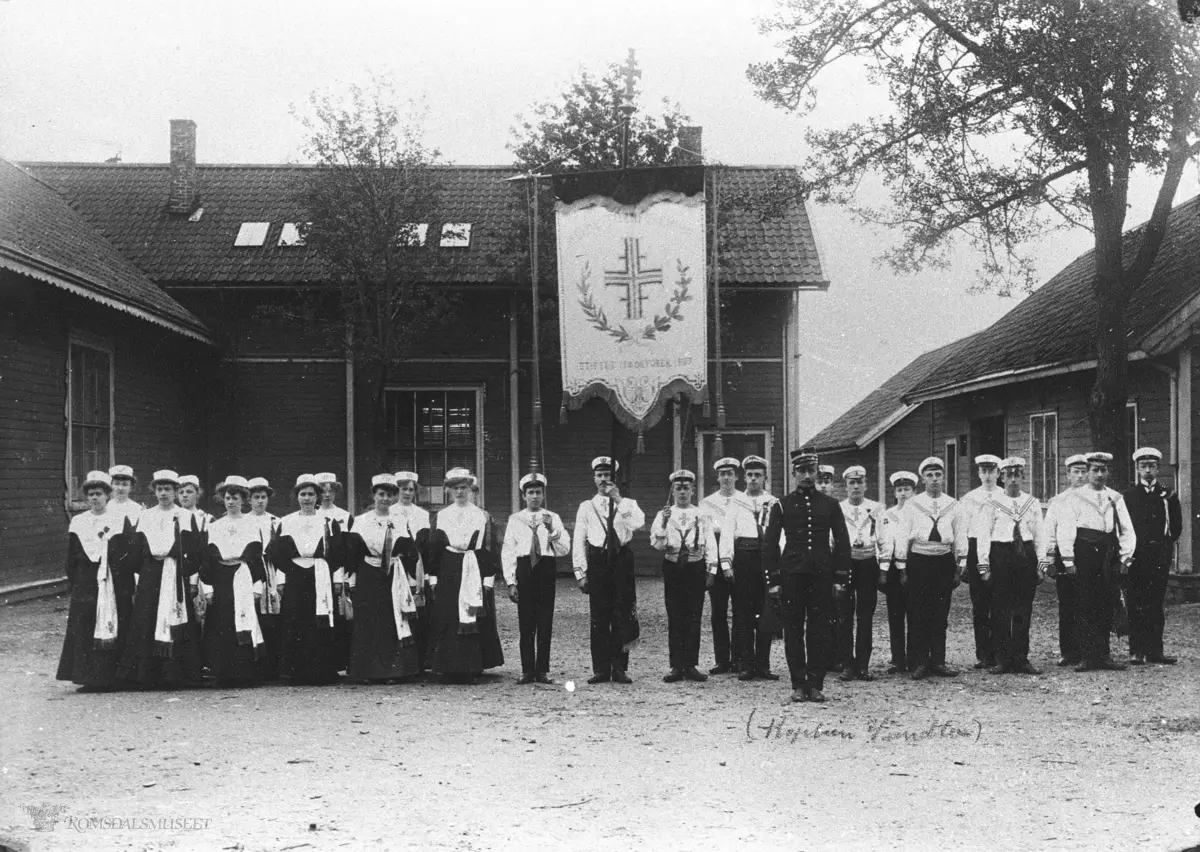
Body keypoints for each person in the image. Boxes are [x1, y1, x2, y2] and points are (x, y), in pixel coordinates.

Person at [763, 450, 851, 703]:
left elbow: (843, 543)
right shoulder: (781, 505)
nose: (806, 475)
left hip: (822, 576)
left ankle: (816, 683)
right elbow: (769, 546)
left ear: (817, 472)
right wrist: (774, 581)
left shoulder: (830, 505)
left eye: (810, 470)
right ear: (793, 474)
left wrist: (840, 578)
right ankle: (798, 684)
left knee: (819, 629)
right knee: (793, 630)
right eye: (801, 471)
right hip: (792, 576)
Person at [116, 470, 204, 688]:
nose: (163, 493)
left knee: (178, 618)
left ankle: (177, 674)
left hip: (175, 574)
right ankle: (147, 674)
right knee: (147, 618)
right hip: (151, 574)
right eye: (159, 489)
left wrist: (182, 570)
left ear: (175, 491)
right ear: (154, 491)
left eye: (168, 489)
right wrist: (146, 571)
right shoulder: (146, 516)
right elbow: (136, 550)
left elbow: (195, 551)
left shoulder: (185, 516)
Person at [1054, 452, 1136, 672]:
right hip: (1084, 553)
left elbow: (1127, 529)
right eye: (1095, 470)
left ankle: (1104, 655)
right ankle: (1087, 656)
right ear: (1088, 471)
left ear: (1108, 472)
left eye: (1103, 470)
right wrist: (1068, 560)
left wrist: (1126, 558)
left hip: (1107, 554)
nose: (1099, 475)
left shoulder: (1115, 497)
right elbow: (1066, 530)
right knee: (1084, 604)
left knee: (1106, 603)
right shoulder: (1074, 498)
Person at [56, 471, 136, 690]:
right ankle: (88, 677)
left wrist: (126, 581)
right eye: (90, 494)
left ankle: (115, 677)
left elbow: (129, 552)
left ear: (107, 495)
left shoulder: (119, 520)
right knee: (85, 625)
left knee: (115, 621)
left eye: (99, 494)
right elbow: (72, 556)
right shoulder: (79, 522)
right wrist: (73, 582)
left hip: (114, 579)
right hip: (86, 580)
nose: (94, 498)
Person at [572, 456, 646, 685]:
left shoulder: (629, 504)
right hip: (598, 560)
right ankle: (601, 669)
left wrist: (618, 499)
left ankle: (620, 668)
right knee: (600, 616)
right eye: (600, 475)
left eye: (608, 476)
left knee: (622, 612)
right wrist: (580, 572)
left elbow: (638, 525)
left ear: (615, 479)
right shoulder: (586, 506)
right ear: (594, 478)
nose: (604, 480)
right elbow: (578, 540)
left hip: (621, 560)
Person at [425, 468, 504, 681]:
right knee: (449, 615)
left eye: (464, 488)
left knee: (472, 611)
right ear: (448, 490)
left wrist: (488, 578)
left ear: (471, 489)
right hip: (449, 566)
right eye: (455, 488)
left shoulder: (482, 516)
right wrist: (433, 577)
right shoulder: (442, 515)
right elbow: (434, 548)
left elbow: (490, 548)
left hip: (474, 565)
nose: (460, 491)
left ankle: (472, 666)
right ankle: (448, 666)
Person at [893, 457, 967, 681]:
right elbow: (902, 535)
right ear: (923, 479)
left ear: (943, 477)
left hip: (943, 560)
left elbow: (961, 536)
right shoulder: (912, 505)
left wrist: (959, 566)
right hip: (919, 560)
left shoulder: (954, 505)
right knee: (918, 613)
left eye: (938, 475)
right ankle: (919, 662)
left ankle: (938, 661)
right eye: (930, 475)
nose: (934, 479)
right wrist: (902, 567)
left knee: (940, 613)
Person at [344, 474, 420, 683]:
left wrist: (411, 579)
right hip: (369, 572)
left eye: (389, 495)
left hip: (393, 574)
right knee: (368, 621)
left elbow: (409, 551)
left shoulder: (399, 521)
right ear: (374, 495)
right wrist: (350, 581)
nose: (385, 499)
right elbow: (353, 553)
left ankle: (391, 671)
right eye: (381, 494)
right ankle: (366, 671)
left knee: (390, 620)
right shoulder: (361, 521)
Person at [270, 474, 342, 684]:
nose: (307, 498)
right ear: (296, 496)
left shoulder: (328, 522)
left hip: (320, 573)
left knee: (320, 620)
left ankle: (322, 671)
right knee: (295, 620)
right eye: (303, 494)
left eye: (311, 494)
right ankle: (295, 672)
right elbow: (278, 554)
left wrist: (336, 578)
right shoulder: (287, 521)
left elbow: (337, 554)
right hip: (295, 573)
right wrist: (282, 579)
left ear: (318, 497)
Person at [975, 458, 1044, 675]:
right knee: (1000, 608)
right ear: (1002, 478)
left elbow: (1039, 535)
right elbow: (983, 534)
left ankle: (1021, 658)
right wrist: (984, 565)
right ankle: (1002, 658)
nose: (1013, 480)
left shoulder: (1031, 502)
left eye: (1017, 475)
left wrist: (1041, 563)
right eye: (1009, 475)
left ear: (1023, 477)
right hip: (1001, 555)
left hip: (1025, 554)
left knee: (1023, 608)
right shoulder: (991, 503)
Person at [653, 470, 722, 684]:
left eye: (686, 488)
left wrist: (712, 570)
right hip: (673, 566)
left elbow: (710, 543)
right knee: (675, 615)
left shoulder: (702, 514)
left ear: (693, 490)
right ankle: (676, 665)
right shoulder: (664, 514)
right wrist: (664, 524)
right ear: (672, 491)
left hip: (695, 566)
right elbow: (657, 545)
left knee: (693, 615)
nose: (682, 492)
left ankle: (691, 664)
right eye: (678, 488)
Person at [502, 473, 571, 684]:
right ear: (524, 496)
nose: (534, 496)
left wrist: (552, 530)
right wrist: (511, 582)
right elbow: (508, 551)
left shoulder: (552, 518)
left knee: (544, 620)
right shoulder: (516, 519)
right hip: (524, 569)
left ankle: (543, 670)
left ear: (543, 495)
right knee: (526, 622)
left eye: (538, 492)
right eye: (530, 493)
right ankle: (526, 670)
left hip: (545, 569)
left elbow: (563, 549)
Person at [200, 476, 267, 686]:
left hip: (243, 575)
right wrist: (207, 587)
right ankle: (223, 673)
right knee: (222, 623)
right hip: (221, 577)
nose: (231, 502)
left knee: (244, 619)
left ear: (243, 499)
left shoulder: (252, 524)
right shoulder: (215, 526)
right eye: (228, 497)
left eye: (235, 498)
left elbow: (257, 558)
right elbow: (207, 559)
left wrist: (258, 585)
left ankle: (245, 673)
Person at [1122, 447, 1181, 665]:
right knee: (1136, 602)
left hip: (1159, 556)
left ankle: (1156, 650)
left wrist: (1165, 547)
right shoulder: (1129, 496)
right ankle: (1136, 651)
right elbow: (1124, 528)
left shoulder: (1168, 495)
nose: (1148, 471)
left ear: (1158, 468)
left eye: (1152, 466)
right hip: (1137, 557)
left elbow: (1176, 525)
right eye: (1143, 466)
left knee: (1156, 603)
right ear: (1137, 469)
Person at [1038, 455, 1090, 666]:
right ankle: (1069, 652)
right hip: (1065, 557)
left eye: (1083, 471)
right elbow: (1049, 532)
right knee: (1068, 604)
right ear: (1067, 475)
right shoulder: (1059, 501)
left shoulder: (1096, 498)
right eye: (1075, 472)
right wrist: (1048, 560)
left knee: (1091, 603)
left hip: (1090, 557)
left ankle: (1090, 650)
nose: (1080, 476)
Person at [733, 455, 781, 681]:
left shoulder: (773, 502)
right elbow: (727, 533)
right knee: (743, 613)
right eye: (750, 475)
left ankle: (763, 664)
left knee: (766, 612)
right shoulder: (736, 502)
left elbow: (780, 536)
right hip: (743, 557)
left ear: (764, 478)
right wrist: (725, 562)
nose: (753, 479)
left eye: (757, 475)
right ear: (744, 478)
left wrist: (779, 564)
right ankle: (745, 664)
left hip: (766, 559)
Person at [837, 465, 884, 682]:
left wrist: (883, 568)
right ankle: (846, 664)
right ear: (845, 486)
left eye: (860, 482)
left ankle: (863, 665)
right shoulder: (837, 508)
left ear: (866, 485)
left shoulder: (876, 508)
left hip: (867, 563)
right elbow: (832, 541)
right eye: (851, 483)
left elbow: (883, 540)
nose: (856, 486)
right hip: (846, 563)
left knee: (865, 615)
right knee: (844, 615)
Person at [698, 457, 745, 675]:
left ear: (737, 476)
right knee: (718, 611)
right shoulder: (707, 503)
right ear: (717, 477)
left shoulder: (745, 500)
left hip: (741, 554)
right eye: (722, 474)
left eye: (730, 473)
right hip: (716, 553)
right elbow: (706, 535)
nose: (726, 477)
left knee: (741, 610)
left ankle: (740, 657)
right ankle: (722, 659)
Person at [957, 454, 1003, 670]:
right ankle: (983, 653)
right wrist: (965, 560)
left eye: (991, 471)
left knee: (999, 601)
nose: (987, 475)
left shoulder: (1005, 497)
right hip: (975, 548)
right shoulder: (969, 499)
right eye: (983, 471)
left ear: (998, 473)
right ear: (978, 473)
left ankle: (1000, 651)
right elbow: (963, 531)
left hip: (999, 548)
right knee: (980, 603)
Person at [390, 471, 431, 671]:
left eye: (410, 489)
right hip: (397, 567)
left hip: (417, 568)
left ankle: (419, 662)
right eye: (403, 489)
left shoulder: (422, 514)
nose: (407, 493)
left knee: (418, 612)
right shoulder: (389, 512)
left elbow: (425, 545)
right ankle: (401, 661)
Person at [878, 471, 918, 674]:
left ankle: (914, 658)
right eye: (899, 490)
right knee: (895, 613)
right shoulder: (888, 515)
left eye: (907, 490)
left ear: (914, 491)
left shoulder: (920, 514)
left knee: (915, 613)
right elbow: (885, 542)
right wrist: (884, 569)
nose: (903, 494)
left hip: (915, 566)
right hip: (895, 568)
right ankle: (897, 659)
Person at [315, 471, 353, 671]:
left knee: (338, 615)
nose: (327, 495)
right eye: (323, 490)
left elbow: (345, 550)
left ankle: (339, 660)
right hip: (316, 570)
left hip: (337, 572)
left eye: (331, 490)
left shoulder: (344, 516)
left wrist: (341, 577)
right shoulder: (313, 515)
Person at [246, 477, 282, 681]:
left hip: (270, 571)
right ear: (249, 499)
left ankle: (271, 666)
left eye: (263, 497)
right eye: (255, 497)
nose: (260, 501)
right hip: (250, 569)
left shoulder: (275, 521)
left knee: (270, 618)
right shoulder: (243, 519)